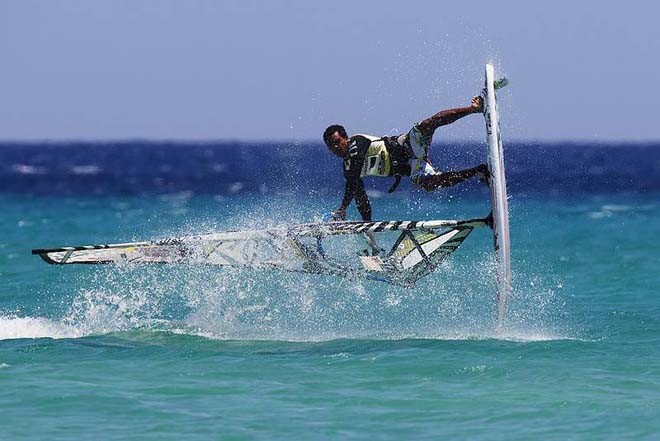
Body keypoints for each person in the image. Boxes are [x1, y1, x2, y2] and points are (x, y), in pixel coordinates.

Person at [323, 96, 489, 222]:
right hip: (411, 166)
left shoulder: (357, 143)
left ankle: (473, 108)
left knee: (426, 124)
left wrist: (343, 208)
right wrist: (367, 225)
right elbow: (360, 197)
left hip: (408, 146)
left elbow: (354, 174)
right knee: (429, 184)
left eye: (337, 142)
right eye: (331, 145)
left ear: (346, 137)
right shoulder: (349, 169)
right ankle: (479, 171)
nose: (335, 147)